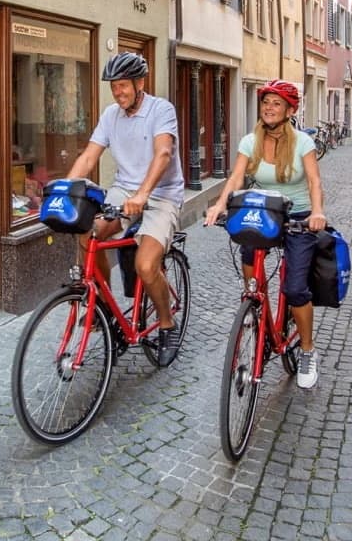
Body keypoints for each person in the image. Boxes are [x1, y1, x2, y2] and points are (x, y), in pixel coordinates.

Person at [64, 52, 186, 366]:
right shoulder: (110, 115)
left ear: (139, 83)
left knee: (146, 266)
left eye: (123, 86)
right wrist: (65, 188)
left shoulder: (161, 110)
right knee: (88, 235)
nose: (118, 92)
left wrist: (144, 194)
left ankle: (167, 323)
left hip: (161, 194)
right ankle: (103, 308)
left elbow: (163, 154)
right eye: (114, 86)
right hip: (124, 191)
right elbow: (89, 157)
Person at [203, 79, 327, 389]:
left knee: (296, 288)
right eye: (266, 102)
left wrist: (316, 213)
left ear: (289, 110)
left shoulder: (302, 143)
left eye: (276, 103)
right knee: (247, 251)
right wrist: (219, 205)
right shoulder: (250, 141)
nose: (269, 108)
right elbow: (236, 177)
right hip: (263, 210)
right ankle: (254, 300)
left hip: (296, 215)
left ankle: (308, 351)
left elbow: (313, 182)